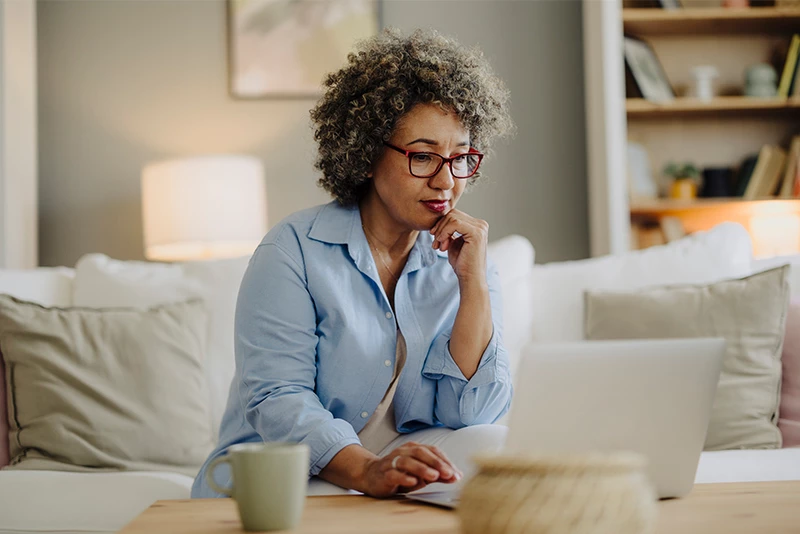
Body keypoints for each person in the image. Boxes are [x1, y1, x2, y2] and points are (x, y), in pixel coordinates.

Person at [192, 28, 515, 499]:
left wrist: (474, 286)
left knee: (495, 448)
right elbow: (279, 401)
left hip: (399, 457)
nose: (447, 180)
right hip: (289, 469)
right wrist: (369, 472)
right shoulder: (292, 250)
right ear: (365, 155)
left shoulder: (466, 256)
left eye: (461, 157)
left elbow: (472, 413)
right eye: (423, 156)